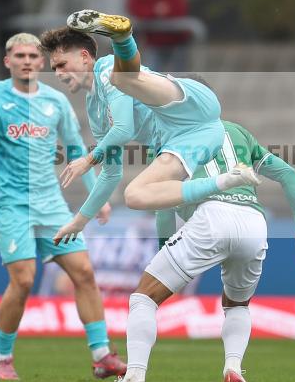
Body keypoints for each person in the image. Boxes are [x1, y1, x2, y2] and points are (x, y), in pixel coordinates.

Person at [87, 120, 295, 382]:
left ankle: (134, 378)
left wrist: (165, 248)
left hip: (211, 218)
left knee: (144, 298)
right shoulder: (238, 132)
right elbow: (288, 174)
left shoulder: (167, 136)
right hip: (254, 222)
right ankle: (233, 368)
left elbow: (163, 203)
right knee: (237, 304)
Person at [0, 32, 124, 381]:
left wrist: (96, 198)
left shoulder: (56, 102)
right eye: (19, 56)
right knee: (24, 279)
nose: (26, 61)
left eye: (32, 56)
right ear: (7, 61)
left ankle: (102, 355)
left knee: (84, 273)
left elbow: (76, 151)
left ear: (41, 62)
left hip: (50, 203)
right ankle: (1, 358)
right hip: (10, 202)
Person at [41, 18, 260, 245]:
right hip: (192, 139)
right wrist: (79, 222)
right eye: (54, 68)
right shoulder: (95, 112)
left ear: (84, 57)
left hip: (192, 106)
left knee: (121, 78)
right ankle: (229, 180)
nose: (57, 73)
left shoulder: (105, 67)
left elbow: (124, 129)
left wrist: (88, 160)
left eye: (61, 64)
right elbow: (111, 174)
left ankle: (122, 37)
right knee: (137, 195)